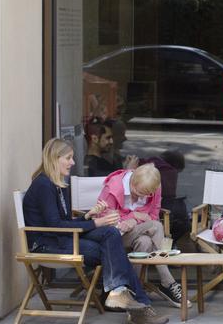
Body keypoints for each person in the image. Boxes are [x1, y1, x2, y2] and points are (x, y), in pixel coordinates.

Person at [22, 138, 168, 324]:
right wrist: (96, 223)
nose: (73, 162)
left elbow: (63, 223)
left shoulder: (58, 184)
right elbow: (57, 226)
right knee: (110, 249)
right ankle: (134, 303)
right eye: (68, 158)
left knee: (111, 234)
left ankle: (118, 293)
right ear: (54, 158)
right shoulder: (43, 185)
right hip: (47, 245)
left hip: (61, 238)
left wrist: (87, 216)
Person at [93, 163, 189, 308]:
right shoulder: (112, 188)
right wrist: (132, 217)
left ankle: (133, 290)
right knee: (157, 226)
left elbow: (153, 215)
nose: (142, 197)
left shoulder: (153, 188)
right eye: (138, 192)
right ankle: (168, 282)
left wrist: (134, 219)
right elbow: (104, 222)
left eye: (147, 194)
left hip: (138, 232)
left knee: (145, 242)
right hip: (112, 237)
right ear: (132, 182)